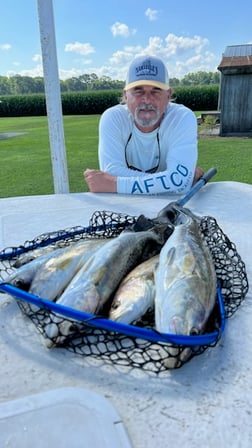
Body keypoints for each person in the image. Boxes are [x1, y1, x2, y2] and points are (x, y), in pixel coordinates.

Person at [84, 55, 203, 195]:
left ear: (168, 95)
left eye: (156, 90)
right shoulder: (113, 118)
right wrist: (173, 181)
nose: (147, 99)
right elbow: (179, 183)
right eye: (138, 90)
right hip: (126, 207)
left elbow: (180, 184)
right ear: (125, 95)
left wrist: (114, 184)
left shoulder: (182, 117)